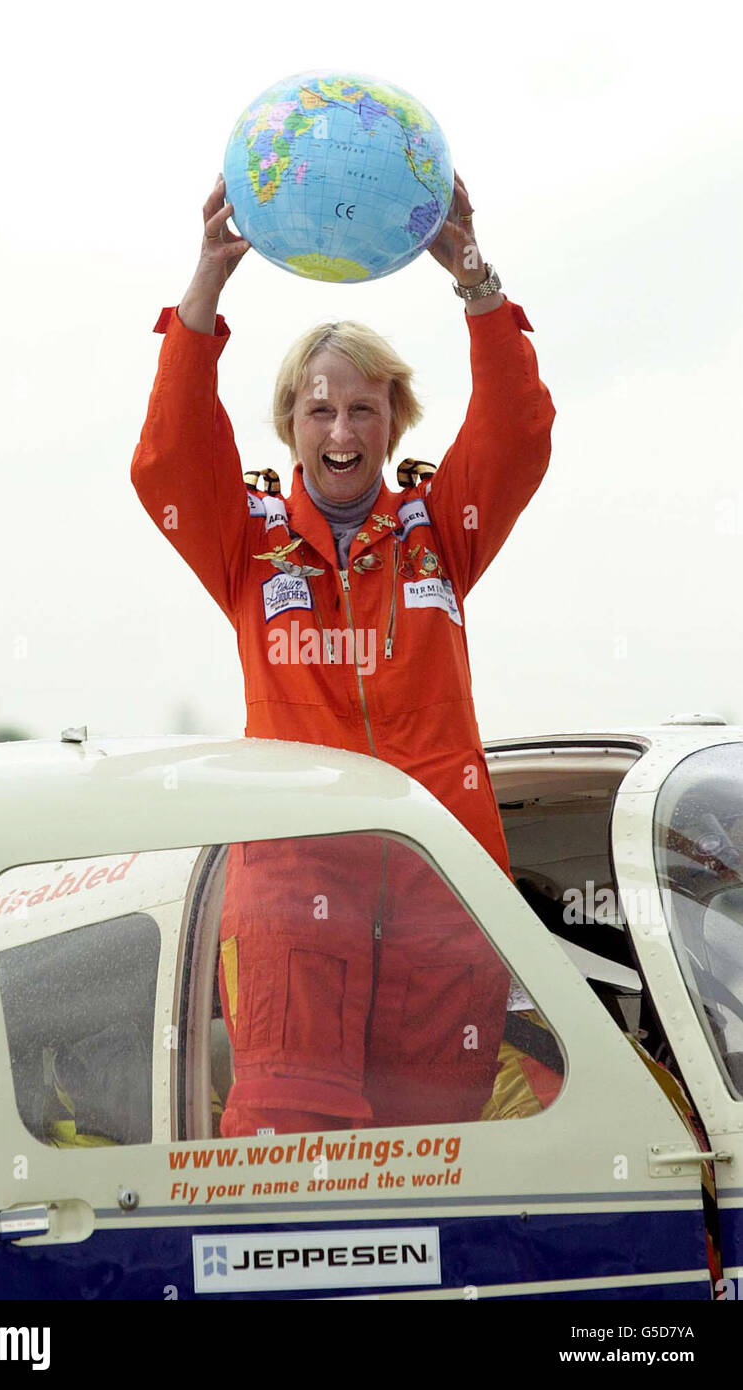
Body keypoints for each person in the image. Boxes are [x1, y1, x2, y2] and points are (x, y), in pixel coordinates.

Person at [131, 172, 556, 1137]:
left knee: (437, 1145)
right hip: (292, 885)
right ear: (289, 425)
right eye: (319, 412)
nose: (340, 431)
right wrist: (203, 288)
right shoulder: (246, 542)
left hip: (442, 875)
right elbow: (164, 463)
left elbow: (519, 438)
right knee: (293, 1140)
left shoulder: (439, 528)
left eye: (362, 410)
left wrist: (477, 286)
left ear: (394, 422)